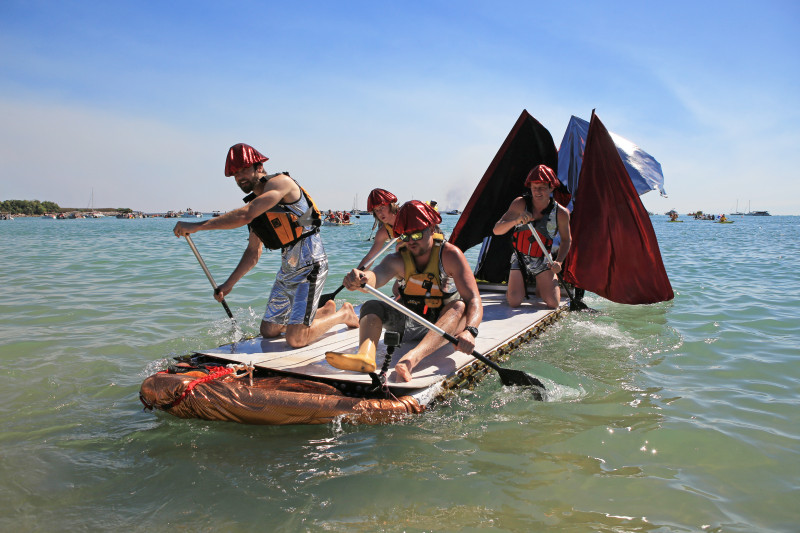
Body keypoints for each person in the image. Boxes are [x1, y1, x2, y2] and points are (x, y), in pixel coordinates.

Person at [173, 143, 358, 348]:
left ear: (259, 167)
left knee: (295, 339)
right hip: (288, 270)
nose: (239, 176)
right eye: (234, 173)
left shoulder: (281, 184)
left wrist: (197, 226)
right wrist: (228, 284)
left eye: (243, 169)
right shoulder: (258, 204)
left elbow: (246, 214)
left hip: (311, 266)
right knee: (268, 331)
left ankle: (344, 313)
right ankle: (325, 311)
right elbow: (253, 252)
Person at [331, 200, 483, 382]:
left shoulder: (450, 255)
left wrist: (470, 331)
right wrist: (361, 279)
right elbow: (375, 277)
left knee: (458, 306)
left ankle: (412, 358)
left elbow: (474, 298)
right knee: (372, 305)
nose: (411, 242)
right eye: (405, 236)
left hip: (447, 327)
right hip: (411, 324)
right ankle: (365, 355)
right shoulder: (397, 259)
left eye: (417, 235)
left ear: (432, 229)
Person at [492, 164, 571, 309]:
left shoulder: (561, 213)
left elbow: (566, 240)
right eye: (534, 187)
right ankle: (521, 285)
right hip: (520, 258)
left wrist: (559, 262)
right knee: (514, 302)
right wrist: (516, 221)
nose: (537, 191)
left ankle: (540, 284)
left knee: (553, 303)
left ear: (551, 187)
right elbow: (497, 230)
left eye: (542, 187)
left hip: (543, 259)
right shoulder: (520, 203)